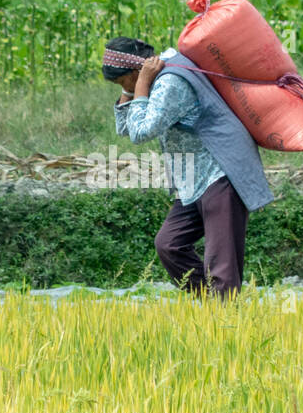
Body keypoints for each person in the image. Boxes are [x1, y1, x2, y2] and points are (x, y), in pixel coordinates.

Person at [102, 36, 273, 298]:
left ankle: (227, 322)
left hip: (220, 171)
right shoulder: (150, 80)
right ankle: (214, 306)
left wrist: (142, 85)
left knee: (221, 265)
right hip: (193, 178)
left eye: (122, 81)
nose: (124, 87)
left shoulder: (172, 82)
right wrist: (132, 89)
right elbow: (126, 126)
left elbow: (140, 132)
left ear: (137, 71)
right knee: (169, 245)